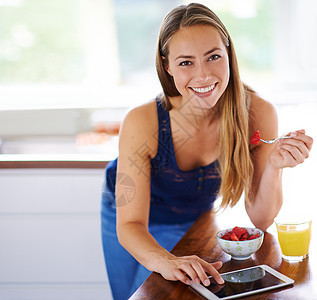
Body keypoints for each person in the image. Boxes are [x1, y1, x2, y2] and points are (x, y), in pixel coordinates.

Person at [101, 3, 313, 299]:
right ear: (166, 66)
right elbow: (130, 224)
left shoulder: (257, 113)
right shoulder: (143, 122)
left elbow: (261, 219)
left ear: (228, 54)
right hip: (129, 222)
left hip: (194, 218)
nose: (203, 76)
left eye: (213, 57)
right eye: (186, 62)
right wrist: (166, 260)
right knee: (140, 294)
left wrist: (275, 167)